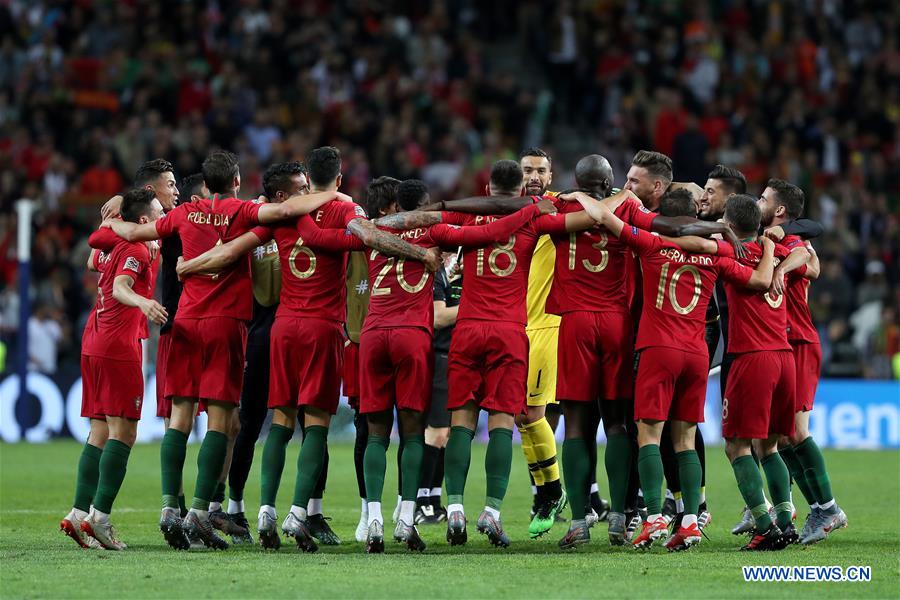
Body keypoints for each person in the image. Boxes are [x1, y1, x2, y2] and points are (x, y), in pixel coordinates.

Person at [102, 150, 354, 550]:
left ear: (205, 183)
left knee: (180, 418)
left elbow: (133, 233)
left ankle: (170, 506)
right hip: (226, 324)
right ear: (236, 181)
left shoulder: (183, 214)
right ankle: (200, 511)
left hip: (184, 321)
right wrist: (336, 196)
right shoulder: (244, 212)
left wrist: (116, 212)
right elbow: (289, 210)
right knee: (222, 422)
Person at [359, 177, 554, 553]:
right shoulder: (440, 230)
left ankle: (417, 513)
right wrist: (531, 209)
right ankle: (481, 513)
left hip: (386, 334)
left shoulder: (376, 228)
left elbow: (354, 231)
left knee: (393, 430)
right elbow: (495, 229)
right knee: (485, 424)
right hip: (485, 330)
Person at [575, 189, 775, 551]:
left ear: (663, 215)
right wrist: (771, 247)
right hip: (696, 354)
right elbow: (761, 281)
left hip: (658, 349)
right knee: (685, 439)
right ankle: (690, 521)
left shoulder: (651, 243)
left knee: (648, 435)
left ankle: (653, 518)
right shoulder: (718, 254)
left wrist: (584, 194)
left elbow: (602, 216)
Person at [681, 194, 810, 550]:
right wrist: (778, 260)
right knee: (768, 447)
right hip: (784, 358)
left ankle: (765, 525)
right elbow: (806, 255)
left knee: (737, 446)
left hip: (751, 359)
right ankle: (785, 522)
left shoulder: (729, 253)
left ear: (730, 224)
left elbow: (690, 239)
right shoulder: (777, 249)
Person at [60, 188, 166, 550]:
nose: (164, 214)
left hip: (94, 339)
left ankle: (77, 514)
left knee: (100, 430)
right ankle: (100, 518)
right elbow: (121, 285)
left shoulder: (118, 242)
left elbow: (94, 259)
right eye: (157, 211)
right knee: (125, 433)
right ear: (143, 221)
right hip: (119, 346)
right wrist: (143, 301)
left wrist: (115, 216)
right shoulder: (137, 248)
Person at [759, 179, 847, 545]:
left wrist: (779, 270)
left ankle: (827, 507)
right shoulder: (772, 235)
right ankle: (817, 507)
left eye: (764, 198)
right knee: (779, 436)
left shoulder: (787, 239)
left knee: (795, 432)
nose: (757, 201)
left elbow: (808, 261)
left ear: (780, 209)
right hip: (782, 341)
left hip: (799, 340)